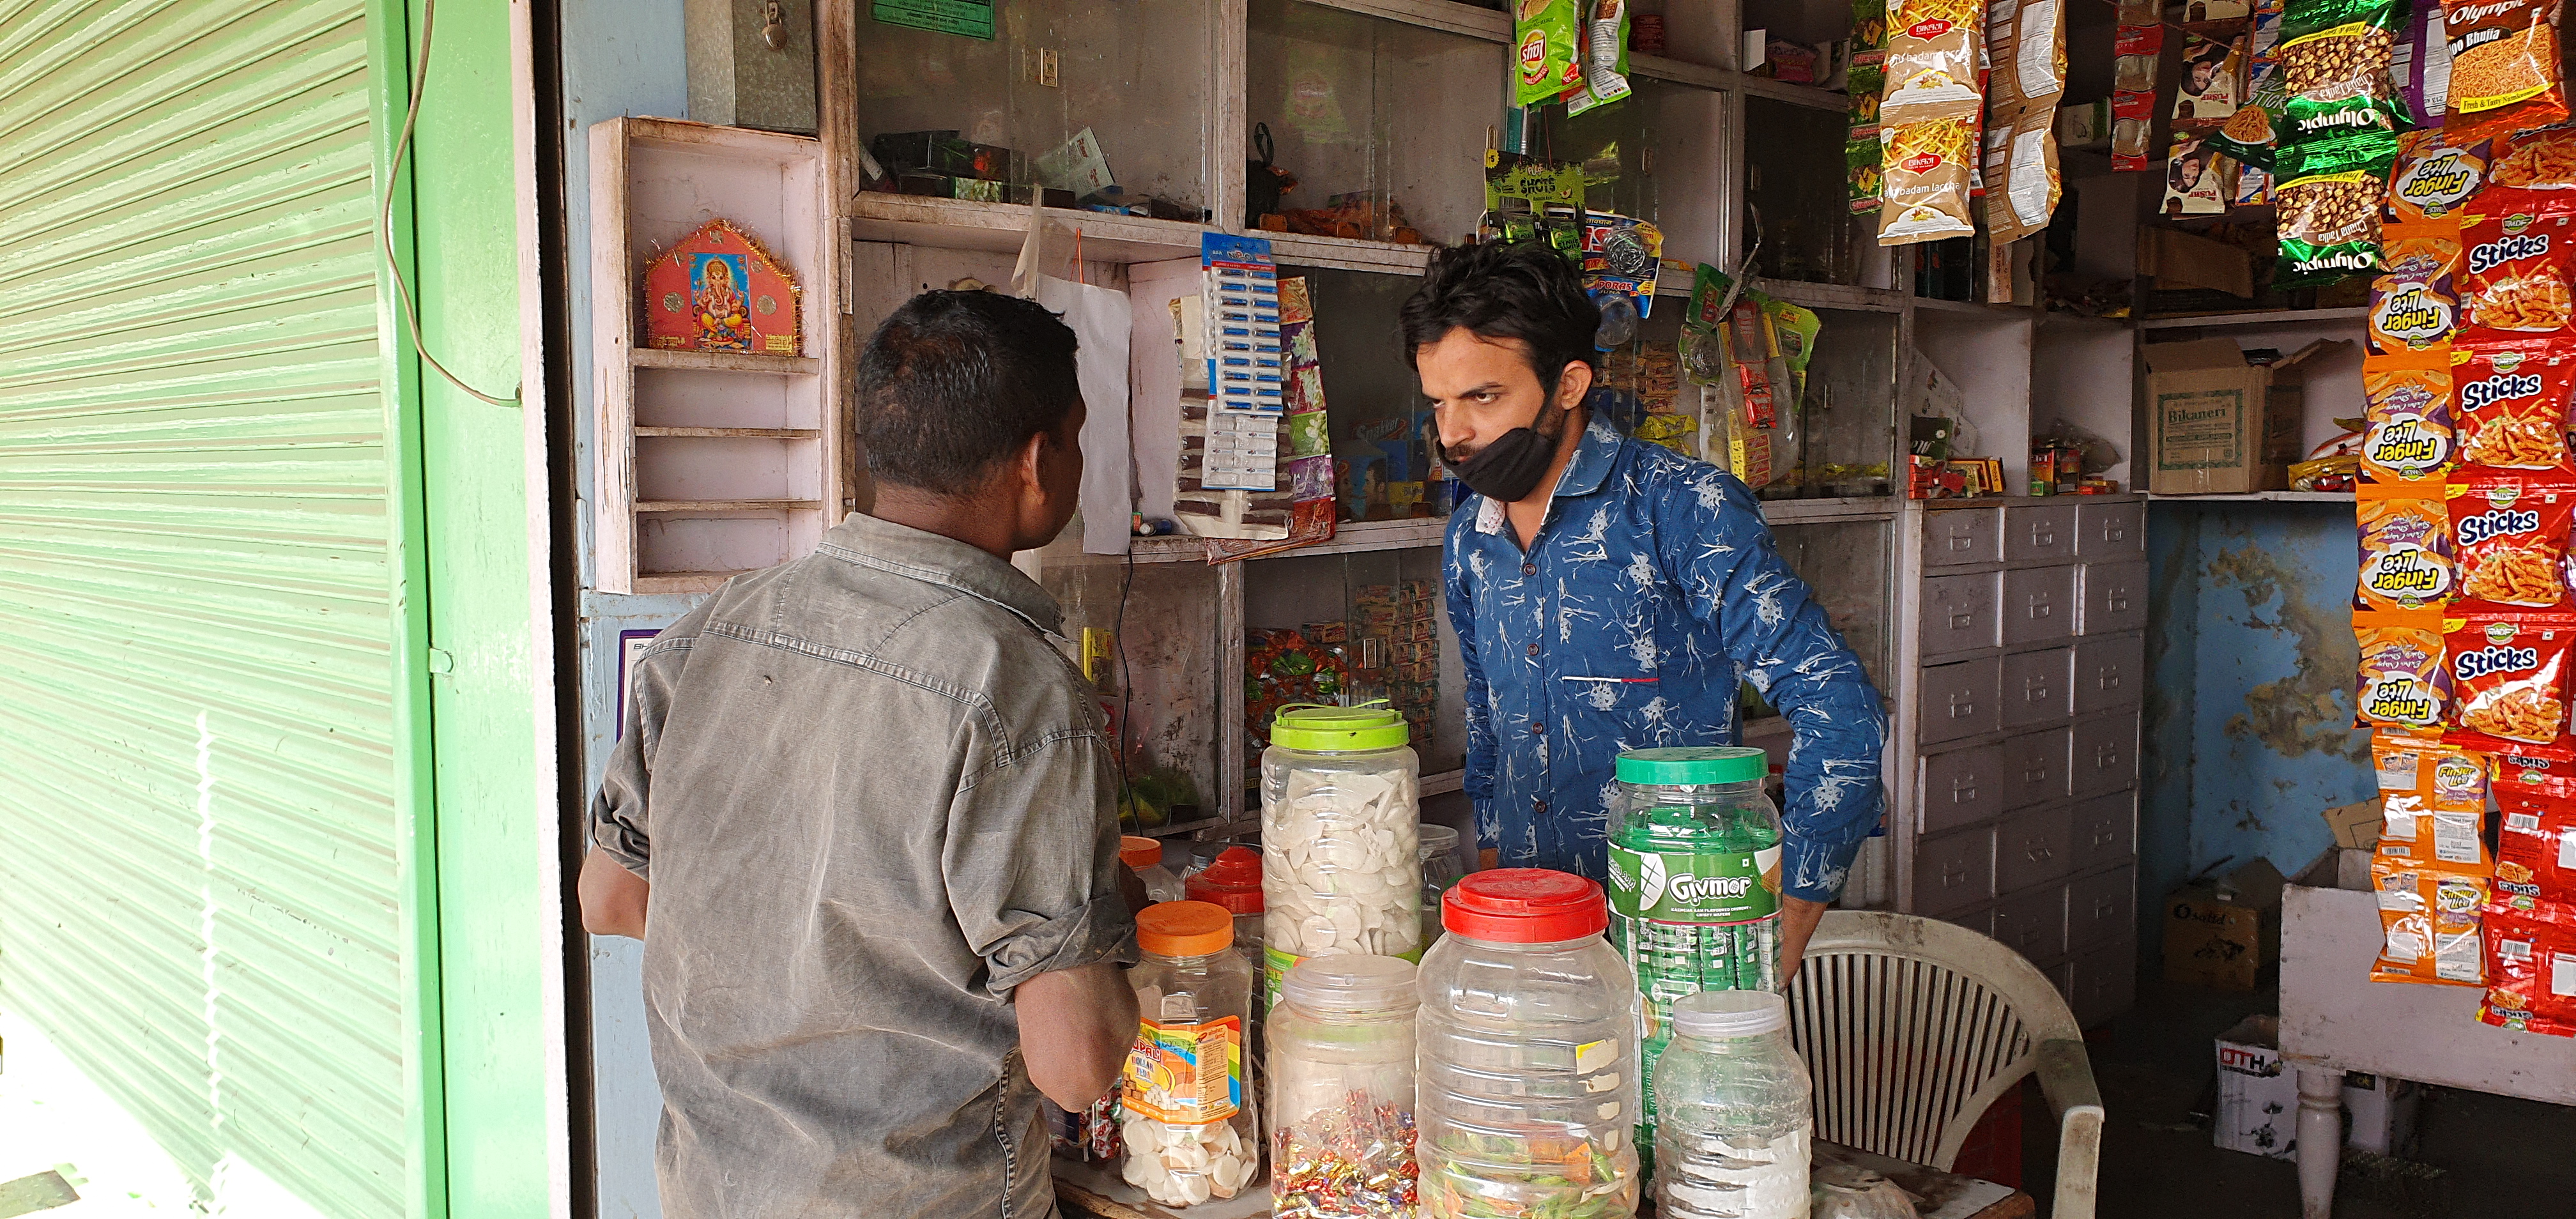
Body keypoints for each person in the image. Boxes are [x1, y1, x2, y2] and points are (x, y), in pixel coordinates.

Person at [581, 289, 1144, 1218]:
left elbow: (612, 898)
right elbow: (1077, 1067)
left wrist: (812, 956)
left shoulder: (708, 632)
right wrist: (1120, 953)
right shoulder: (1020, 693)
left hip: (710, 1192)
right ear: (1041, 463)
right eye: (1076, 440)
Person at [1404, 241, 1889, 979]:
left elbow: (1841, 711)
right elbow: (1489, 718)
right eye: (1438, 403)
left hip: (1681, 949)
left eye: (1482, 397)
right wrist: (1500, 885)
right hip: (1535, 943)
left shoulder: (1680, 508)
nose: (1452, 435)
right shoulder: (1472, 536)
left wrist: (1785, 920)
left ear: (1568, 384)